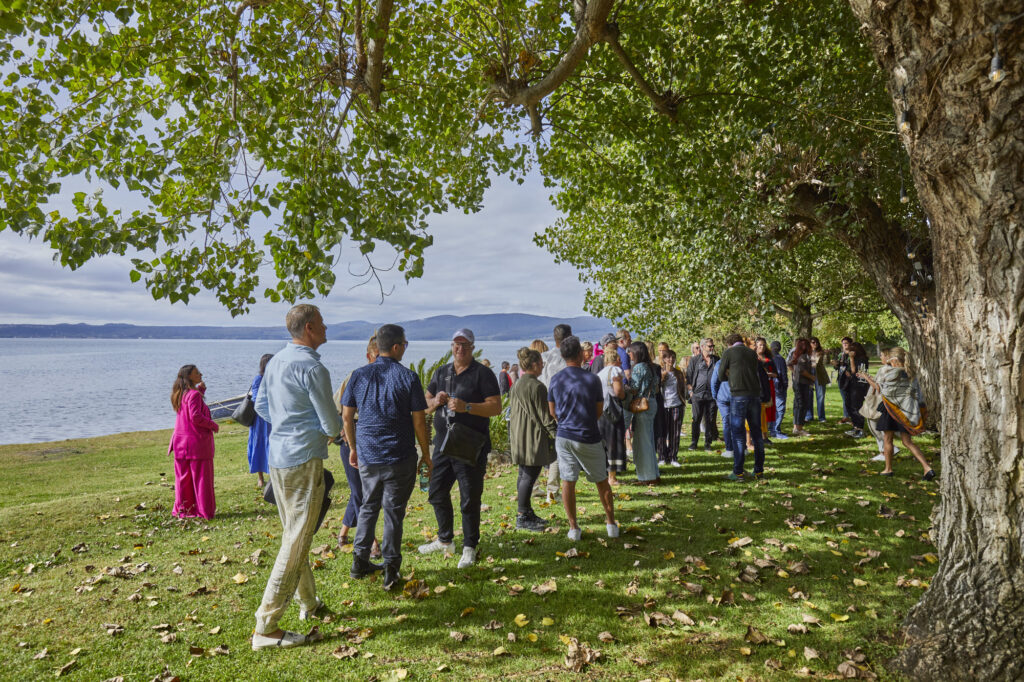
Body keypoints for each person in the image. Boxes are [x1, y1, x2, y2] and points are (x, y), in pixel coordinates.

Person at [251, 304, 339, 651]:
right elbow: (331, 423)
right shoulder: (313, 367)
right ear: (309, 329)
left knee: (295, 533)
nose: (326, 326)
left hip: (279, 456)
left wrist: (287, 422)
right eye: (322, 323)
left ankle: (309, 603)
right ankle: (266, 625)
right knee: (297, 539)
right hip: (303, 458)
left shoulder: (275, 362)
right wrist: (316, 429)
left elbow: (260, 405)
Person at [341, 324, 431, 590]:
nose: (405, 348)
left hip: (368, 455)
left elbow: (346, 416)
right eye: (405, 344)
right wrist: (426, 454)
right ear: (395, 347)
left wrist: (354, 447)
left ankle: (360, 561)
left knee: (368, 506)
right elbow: (419, 421)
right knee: (393, 512)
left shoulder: (358, 375)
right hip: (399, 455)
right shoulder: (408, 377)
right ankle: (391, 569)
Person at [420, 328, 502, 569]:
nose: (460, 348)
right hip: (443, 444)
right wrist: (435, 402)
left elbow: (495, 407)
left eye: (465, 345)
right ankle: (445, 540)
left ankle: (469, 546)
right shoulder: (442, 372)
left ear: (472, 348)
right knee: (436, 492)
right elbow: (424, 404)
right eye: (456, 344)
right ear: (451, 346)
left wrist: (467, 407)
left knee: (469, 498)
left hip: (470, 445)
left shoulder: (483, 374)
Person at [547, 335, 619, 539]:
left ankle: (573, 527)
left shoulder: (556, 379)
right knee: (601, 480)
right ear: (580, 354)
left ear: (562, 355)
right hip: (588, 433)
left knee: (568, 480)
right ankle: (611, 524)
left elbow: (552, 411)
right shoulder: (591, 379)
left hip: (564, 434)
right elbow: (598, 410)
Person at [331, 336, 382, 555]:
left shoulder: (391, 378)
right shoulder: (355, 377)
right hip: (353, 438)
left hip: (376, 440)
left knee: (363, 491)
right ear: (369, 356)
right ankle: (371, 541)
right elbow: (336, 409)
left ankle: (342, 534)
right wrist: (341, 431)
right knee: (360, 491)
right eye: (378, 356)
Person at [857, 347, 935, 480]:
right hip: (906, 412)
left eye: (890, 360)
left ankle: (888, 469)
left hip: (891, 410)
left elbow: (882, 389)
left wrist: (866, 378)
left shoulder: (892, 373)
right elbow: (918, 394)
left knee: (888, 439)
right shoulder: (911, 373)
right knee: (907, 442)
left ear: (894, 360)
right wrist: (922, 410)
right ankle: (927, 468)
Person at [508, 347, 557, 531]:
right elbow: (545, 417)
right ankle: (522, 515)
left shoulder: (518, 384)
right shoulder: (537, 387)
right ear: (534, 364)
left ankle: (526, 511)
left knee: (524, 475)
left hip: (519, 434)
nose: (543, 366)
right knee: (529, 476)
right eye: (541, 363)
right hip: (533, 436)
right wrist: (556, 435)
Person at [168, 364, 219, 519]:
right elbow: (195, 417)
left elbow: (189, 410)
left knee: (183, 479)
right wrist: (213, 425)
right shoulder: (193, 395)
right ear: (189, 376)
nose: (200, 374)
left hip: (180, 443)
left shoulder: (179, 394)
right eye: (197, 373)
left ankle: (184, 509)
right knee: (201, 478)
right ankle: (204, 511)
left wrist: (201, 391)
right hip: (196, 443)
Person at [718, 333, 767, 481]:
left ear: (729, 343)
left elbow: (720, 376)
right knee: (757, 434)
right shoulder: (752, 353)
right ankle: (758, 471)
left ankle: (738, 472)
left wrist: (731, 376)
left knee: (738, 434)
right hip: (754, 395)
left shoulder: (729, 352)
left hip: (738, 395)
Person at [539, 324, 573, 501]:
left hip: (541, 406)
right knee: (558, 450)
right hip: (560, 408)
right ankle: (552, 489)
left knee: (540, 446)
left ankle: (535, 486)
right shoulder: (566, 360)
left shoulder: (544, 357)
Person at [628, 341, 660, 484]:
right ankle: (653, 473)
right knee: (649, 439)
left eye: (631, 352)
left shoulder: (639, 367)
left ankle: (647, 476)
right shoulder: (651, 367)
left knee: (642, 442)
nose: (629, 354)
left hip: (642, 404)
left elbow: (634, 388)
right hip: (652, 402)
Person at [597, 340, 627, 485]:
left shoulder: (600, 373)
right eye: (619, 359)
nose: (621, 362)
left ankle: (604, 474)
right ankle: (612, 476)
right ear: (615, 360)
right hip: (613, 409)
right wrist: (625, 395)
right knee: (614, 442)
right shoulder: (615, 371)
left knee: (604, 443)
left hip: (601, 411)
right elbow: (618, 391)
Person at [246, 354, 274, 489]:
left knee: (273, 446)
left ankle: (273, 475)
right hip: (260, 420)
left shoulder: (277, 379)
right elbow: (256, 398)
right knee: (260, 446)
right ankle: (260, 477)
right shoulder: (259, 379)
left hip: (274, 417)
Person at [686, 338, 719, 450]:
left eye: (712, 346)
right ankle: (694, 442)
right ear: (703, 347)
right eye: (709, 346)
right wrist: (690, 392)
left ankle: (707, 443)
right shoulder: (695, 360)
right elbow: (688, 377)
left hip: (712, 395)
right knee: (696, 419)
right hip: (697, 394)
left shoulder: (716, 360)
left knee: (710, 419)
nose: (712, 348)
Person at [657, 350, 686, 466]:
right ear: (664, 359)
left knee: (675, 432)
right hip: (663, 406)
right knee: (662, 432)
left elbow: (682, 389)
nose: (671, 360)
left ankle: (673, 456)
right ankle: (662, 457)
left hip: (676, 405)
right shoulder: (660, 373)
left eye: (673, 357)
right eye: (668, 358)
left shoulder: (678, 373)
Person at [788, 338, 815, 437]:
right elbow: (802, 370)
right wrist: (812, 377)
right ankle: (799, 428)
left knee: (797, 404)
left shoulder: (796, 355)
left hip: (797, 382)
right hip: (801, 383)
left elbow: (789, 364)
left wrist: (794, 373)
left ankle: (796, 426)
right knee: (801, 405)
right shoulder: (803, 357)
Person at [710, 352, 733, 462]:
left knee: (727, 422)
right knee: (738, 421)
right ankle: (742, 447)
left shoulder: (720, 363)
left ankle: (729, 449)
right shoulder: (739, 362)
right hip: (736, 394)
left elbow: (714, 381)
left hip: (723, 396)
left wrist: (715, 396)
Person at [845, 342, 871, 439]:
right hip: (851, 384)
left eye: (851, 350)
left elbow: (855, 371)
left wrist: (851, 359)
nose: (850, 352)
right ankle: (855, 427)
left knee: (856, 407)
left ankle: (860, 429)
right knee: (850, 406)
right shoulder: (854, 359)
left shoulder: (862, 359)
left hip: (859, 386)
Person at [754, 338, 777, 444]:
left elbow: (776, 374)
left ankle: (765, 434)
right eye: (759, 345)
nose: (761, 347)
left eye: (763, 345)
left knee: (766, 411)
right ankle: (755, 436)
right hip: (755, 387)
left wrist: (767, 374)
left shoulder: (769, 359)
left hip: (767, 385)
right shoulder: (752, 358)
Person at [806, 337, 830, 423]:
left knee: (820, 397)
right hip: (809, 376)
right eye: (813, 342)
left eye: (816, 342)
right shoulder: (806, 353)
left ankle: (821, 417)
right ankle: (809, 416)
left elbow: (822, 362)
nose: (815, 344)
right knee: (808, 396)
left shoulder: (821, 352)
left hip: (820, 376)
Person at [769, 341, 789, 440]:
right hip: (778, 386)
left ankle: (773, 429)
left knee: (772, 409)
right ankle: (775, 430)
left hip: (770, 386)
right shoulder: (780, 359)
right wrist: (785, 385)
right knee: (780, 409)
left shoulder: (767, 358)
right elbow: (783, 374)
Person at [833, 337, 854, 424]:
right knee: (845, 398)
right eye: (843, 343)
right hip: (842, 379)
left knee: (851, 399)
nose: (844, 345)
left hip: (851, 379)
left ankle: (851, 416)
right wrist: (835, 364)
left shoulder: (853, 354)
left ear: (850, 344)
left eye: (846, 343)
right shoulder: (840, 355)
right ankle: (846, 416)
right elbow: (836, 367)